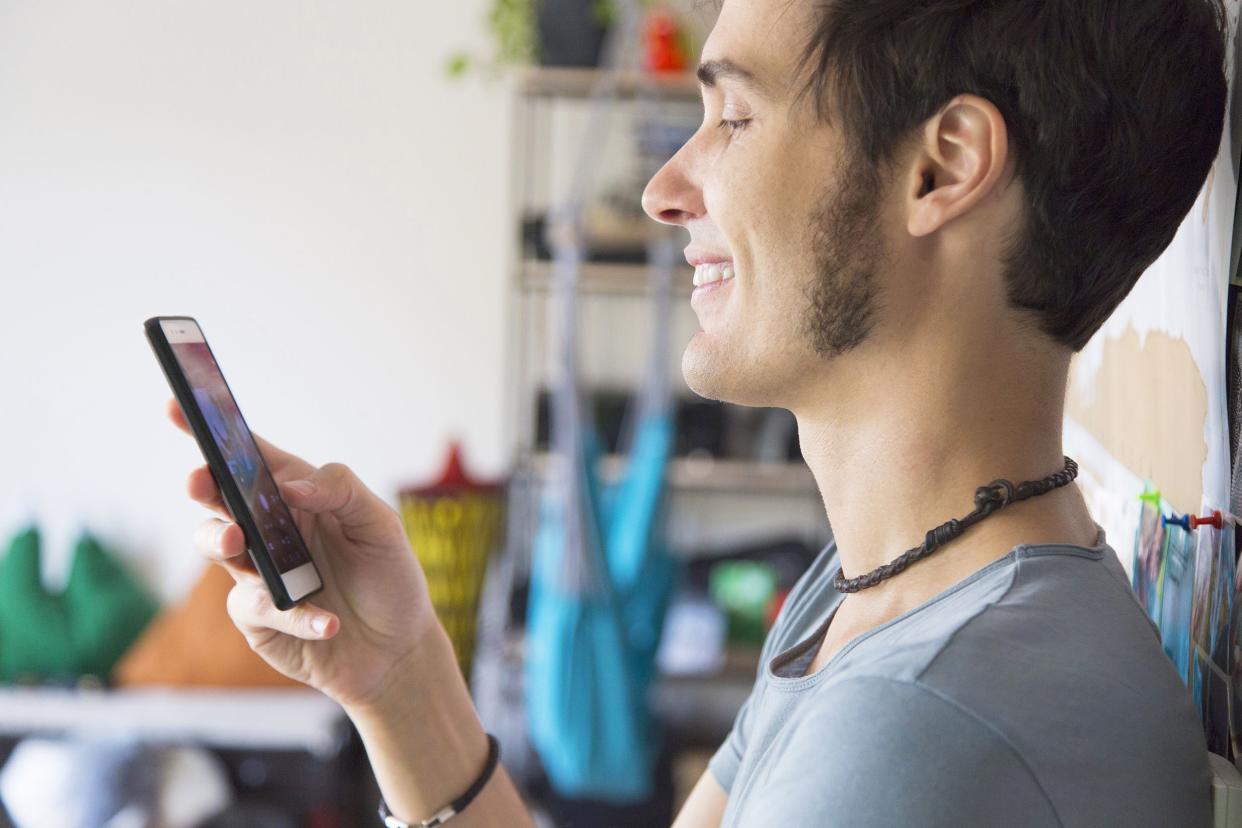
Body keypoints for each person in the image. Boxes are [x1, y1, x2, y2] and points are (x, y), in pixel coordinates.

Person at [168, 0, 1229, 824]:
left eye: (732, 115)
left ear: (941, 166)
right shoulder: (887, 592)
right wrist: (397, 682)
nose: (665, 189)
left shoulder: (923, 727)